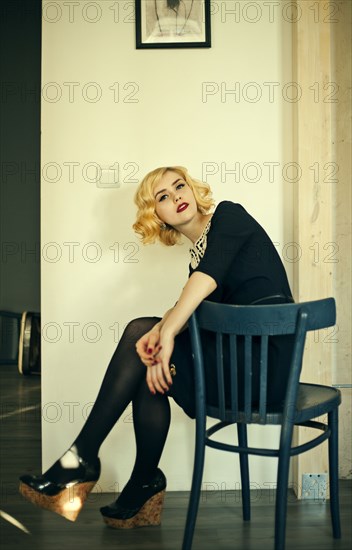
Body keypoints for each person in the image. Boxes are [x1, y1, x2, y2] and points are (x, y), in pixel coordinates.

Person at [19, 166, 294, 529]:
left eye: (180, 187)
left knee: (141, 336)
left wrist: (164, 333)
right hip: (235, 364)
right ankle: (140, 482)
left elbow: (205, 281)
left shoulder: (230, 216)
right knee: (145, 353)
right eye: (163, 197)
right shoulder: (197, 256)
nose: (177, 197)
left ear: (193, 190)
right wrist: (162, 331)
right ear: (157, 216)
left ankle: (86, 461)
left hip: (264, 371)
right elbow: (194, 299)